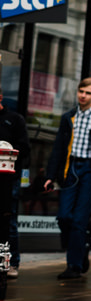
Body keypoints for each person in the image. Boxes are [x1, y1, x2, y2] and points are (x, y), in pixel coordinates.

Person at [42, 78, 91, 280]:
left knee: (80, 220)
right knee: (64, 216)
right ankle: (82, 247)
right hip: (70, 168)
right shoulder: (68, 117)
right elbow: (58, 148)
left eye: (88, 93)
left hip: (90, 170)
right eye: (81, 91)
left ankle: (73, 265)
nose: (83, 95)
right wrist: (50, 176)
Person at [0, 93, 28, 277]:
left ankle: (9, 263)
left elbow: (24, 148)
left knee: (7, 221)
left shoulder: (14, 119)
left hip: (7, 180)